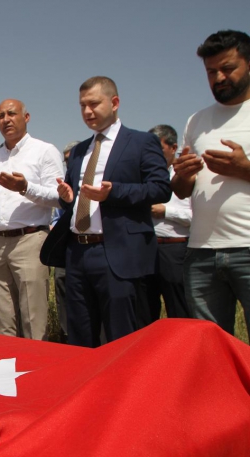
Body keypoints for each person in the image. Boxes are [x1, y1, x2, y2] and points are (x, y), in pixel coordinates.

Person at [54, 76, 171, 347]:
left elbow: (160, 188)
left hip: (118, 252)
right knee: (80, 335)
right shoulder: (81, 150)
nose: (87, 111)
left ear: (115, 102)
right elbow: (72, 198)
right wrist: (68, 198)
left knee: (121, 337)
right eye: (82, 105)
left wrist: (114, 192)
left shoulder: (141, 142)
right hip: (78, 252)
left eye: (94, 104)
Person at [0, 100, 64, 340]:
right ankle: (7, 368)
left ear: (26, 117)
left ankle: (35, 369)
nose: (6, 120)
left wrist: (26, 187)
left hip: (29, 240)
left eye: (11, 114)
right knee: (1, 319)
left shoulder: (44, 150)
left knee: (33, 317)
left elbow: (59, 197)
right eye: (0, 116)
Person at [171, 30, 250, 335]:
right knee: (210, 347)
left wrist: (244, 168)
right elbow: (181, 190)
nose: (219, 77)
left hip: (247, 247)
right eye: (211, 72)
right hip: (201, 251)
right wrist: (184, 174)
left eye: (228, 68)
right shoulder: (197, 120)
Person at [140, 125, 192, 324]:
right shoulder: (143, 176)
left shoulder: (185, 175)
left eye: (159, 150)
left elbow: (195, 216)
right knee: (144, 309)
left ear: (173, 147)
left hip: (175, 249)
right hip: (145, 247)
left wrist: (166, 211)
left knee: (179, 309)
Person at [52, 140, 80, 342]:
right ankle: (66, 339)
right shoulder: (63, 187)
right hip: (65, 252)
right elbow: (56, 217)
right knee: (63, 300)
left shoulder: (96, 182)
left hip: (90, 250)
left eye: (73, 160)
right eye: (66, 161)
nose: (69, 165)